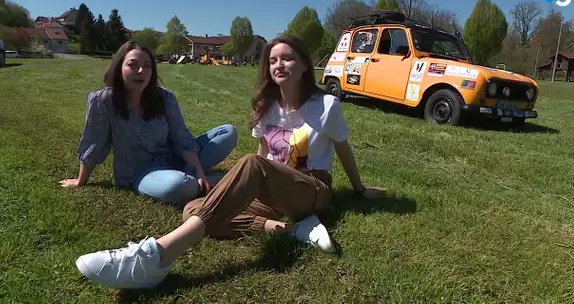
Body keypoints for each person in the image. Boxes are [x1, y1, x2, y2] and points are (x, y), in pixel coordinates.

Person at [74, 36, 386, 289]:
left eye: (287, 58)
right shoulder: (266, 106)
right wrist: (252, 194)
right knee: (192, 209)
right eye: (273, 59)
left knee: (250, 165)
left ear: (305, 64)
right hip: (274, 196)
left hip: (311, 189)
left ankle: (159, 254)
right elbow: (266, 154)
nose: (279, 64)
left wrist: (359, 189)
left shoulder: (326, 105)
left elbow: (343, 149)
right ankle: (285, 229)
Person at [59, 40, 238, 205]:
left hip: (174, 158)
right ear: (119, 67)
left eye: (147, 66)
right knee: (181, 186)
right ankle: (207, 181)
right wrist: (80, 181)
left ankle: (199, 177)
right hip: (140, 172)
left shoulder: (165, 97)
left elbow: (181, 136)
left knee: (228, 132)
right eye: (132, 65)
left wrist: (198, 170)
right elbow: (94, 143)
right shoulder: (103, 101)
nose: (141, 71)